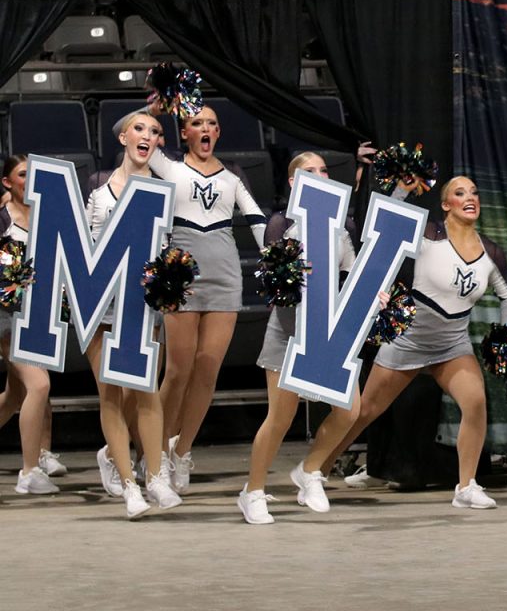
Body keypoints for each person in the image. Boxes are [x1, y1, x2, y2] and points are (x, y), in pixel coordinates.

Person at [321, 175, 507, 510]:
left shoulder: (491, 252)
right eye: (459, 193)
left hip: (453, 345)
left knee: (475, 403)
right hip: (409, 339)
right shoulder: (429, 235)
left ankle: (466, 486)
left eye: (474, 193)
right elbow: (389, 228)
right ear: (445, 204)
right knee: (365, 411)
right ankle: (317, 470)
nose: (470, 198)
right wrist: (402, 191)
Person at [121, 105, 267, 492]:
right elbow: (139, 137)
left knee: (207, 370)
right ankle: (155, 452)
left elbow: (256, 221)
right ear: (183, 132)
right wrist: (156, 108)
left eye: (212, 124)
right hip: (179, 277)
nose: (205, 128)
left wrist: (279, 255)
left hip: (225, 277)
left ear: (219, 133)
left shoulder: (233, 179)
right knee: (178, 370)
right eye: (197, 123)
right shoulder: (169, 167)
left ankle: (180, 452)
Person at [237, 153, 376, 524]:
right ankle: (252, 492)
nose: (320, 175)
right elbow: (274, 280)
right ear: (294, 182)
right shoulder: (282, 224)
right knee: (281, 418)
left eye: (324, 170)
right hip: (288, 332)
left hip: (329, 336)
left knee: (350, 412)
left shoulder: (341, 228)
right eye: (309, 170)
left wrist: (372, 292)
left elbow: (352, 273)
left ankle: (310, 469)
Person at [86, 113, 183, 517]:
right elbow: (89, 251)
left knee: (145, 390)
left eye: (156, 131)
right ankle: (129, 487)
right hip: (101, 308)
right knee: (110, 394)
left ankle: (156, 476)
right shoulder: (99, 192)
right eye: (140, 128)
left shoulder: (164, 190)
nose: (148, 135)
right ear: (124, 136)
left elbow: (169, 249)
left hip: (141, 309)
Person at [0, 155, 63, 494]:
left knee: (13, 398)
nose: (30, 179)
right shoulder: (2, 216)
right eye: (23, 174)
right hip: (5, 316)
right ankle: (28, 472)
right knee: (38, 385)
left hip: (35, 315)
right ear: (8, 182)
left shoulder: (46, 215)